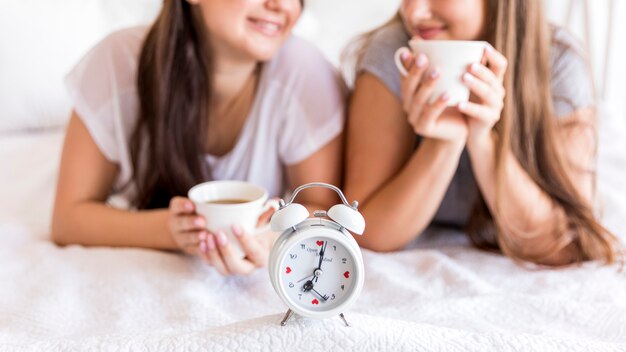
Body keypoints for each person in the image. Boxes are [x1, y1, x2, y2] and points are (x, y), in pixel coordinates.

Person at [51, 0, 345, 276]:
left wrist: (273, 235)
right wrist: (172, 230)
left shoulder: (305, 72)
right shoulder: (118, 62)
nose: (280, 5)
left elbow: (323, 206)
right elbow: (68, 219)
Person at [344, 0, 620, 266]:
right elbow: (363, 230)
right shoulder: (395, 53)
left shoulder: (557, 60)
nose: (413, 11)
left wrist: (482, 140)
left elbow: (566, 246)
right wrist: (445, 140)